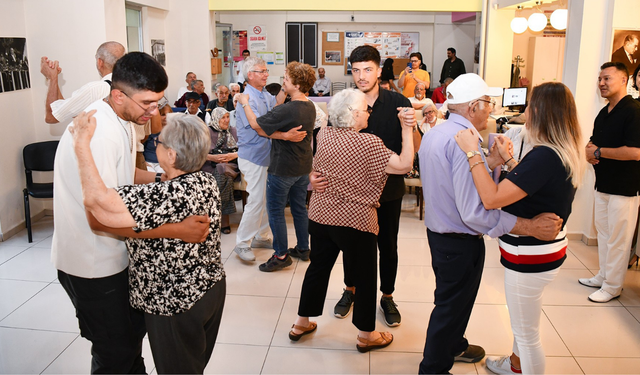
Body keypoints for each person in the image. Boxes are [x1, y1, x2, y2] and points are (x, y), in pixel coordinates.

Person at [52, 52, 210, 374]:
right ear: (118, 94)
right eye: (147, 104)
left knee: (130, 340)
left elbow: (124, 175)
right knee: (115, 353)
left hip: (116, 254)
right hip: (93, 262)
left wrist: (163, 179)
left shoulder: (124, 119)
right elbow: (100, 217)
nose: (155, 111)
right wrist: (175, 230)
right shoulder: (99, 132)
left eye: (158, 102)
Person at [418, 73, 563, 374]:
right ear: (472, 107)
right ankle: (433, 367)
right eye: (488, 103)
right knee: (450, 305)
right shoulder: (464, 144)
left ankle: (454, 343)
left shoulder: (438, 132)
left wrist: (493, 162)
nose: (491, 110)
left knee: (454, 300)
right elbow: (475, 211)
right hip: (458, 240)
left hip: (440, 233)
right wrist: (530, 226)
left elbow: (458, 183)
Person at [71, 111, 225, 374]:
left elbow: (96, 203)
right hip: (209, 289)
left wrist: (81, 144)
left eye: (160, 142)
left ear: (172, 155)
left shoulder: (161, 196)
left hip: (174, 301)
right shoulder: (206, 180)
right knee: (192, 365)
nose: (156, 144)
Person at [454, 81, 584, 375]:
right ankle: (515, 365)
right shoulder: (560, 150)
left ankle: (523, 366)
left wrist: (472, 152)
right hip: (546, 252)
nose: (525, 111)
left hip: (530, 256)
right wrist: (510, 160)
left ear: (540, 111)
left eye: (529, 106)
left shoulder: (544, 156)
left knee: (527, 334)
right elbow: (531, 183)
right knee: (526, 322)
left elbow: (491, 198)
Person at [290, 88, 415, 352]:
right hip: (355, 221)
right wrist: (406, 129)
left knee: (318, 269)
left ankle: (301, 322)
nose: (369, 112)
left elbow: (315, 162)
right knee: (366, 276)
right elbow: (404, 165)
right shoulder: (369, 143)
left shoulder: (323, 135)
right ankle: (366, 335)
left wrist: (313, 175)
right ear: (354, 114)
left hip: (322, 216)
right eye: (365, 109)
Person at [312, 45, 412, 327]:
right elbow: (326, 144)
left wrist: (412, 126)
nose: (361, 76)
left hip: (388, 189)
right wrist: (312, 174)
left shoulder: (397, 102)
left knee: (387, 246)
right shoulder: (344, 102)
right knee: (350, 247)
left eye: (367, 69)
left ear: (379, 70)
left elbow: (408, 147)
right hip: (350, 195)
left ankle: (387, 295)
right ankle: (350, 290)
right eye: (356, 70)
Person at [238, 61, 316, 271]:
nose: (282, 82)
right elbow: (276, 106)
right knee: (299, 208)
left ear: (297, 85)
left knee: (275, 210)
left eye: (286, 80)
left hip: (283, 167)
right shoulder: (309, 105)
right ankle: (303, 248)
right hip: (302, 166)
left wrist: (244, 102)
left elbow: (257, 126)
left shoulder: (289, 109)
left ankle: (281, 255)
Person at [580, 62, 640, 303]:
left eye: (607, 79)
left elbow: (635, 152)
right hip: (603, 184)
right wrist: (588, 151)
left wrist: (599, 153)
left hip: (624, 188)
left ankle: (613, 286)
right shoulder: (604, 112)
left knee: (619, 238)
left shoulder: (633, 110)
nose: (602, 83)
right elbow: (593, 144)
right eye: (600, 79)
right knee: (604, 233)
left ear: (624, 80)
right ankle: (604, 275)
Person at [41, 41, 125, 124]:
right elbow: (66, 110)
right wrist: (54, 78)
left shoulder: (94, 89)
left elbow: (51, 117)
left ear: (100, 62)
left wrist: (52, 78)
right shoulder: (130, 86)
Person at [203, 107, 239, 235]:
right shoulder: (207, 131)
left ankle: (215, 217)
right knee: (224, 175)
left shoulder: (233, 131)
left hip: (230, 165)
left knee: (223, 170)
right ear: (216, 118)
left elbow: (243, 150)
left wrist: (231, 156)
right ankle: (224, 220)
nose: (226, 120)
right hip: (209, 165)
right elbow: (199, 152)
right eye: (223, 117)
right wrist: (214, 157)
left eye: (227, 117)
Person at [144, 100, 172, 173]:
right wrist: (143, 162)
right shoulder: (150, 130)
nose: (166, 117)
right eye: (163, 114)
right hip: (148, 162)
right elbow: (141, 148)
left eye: (168, 114)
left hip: (163, 163)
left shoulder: (174, 132)